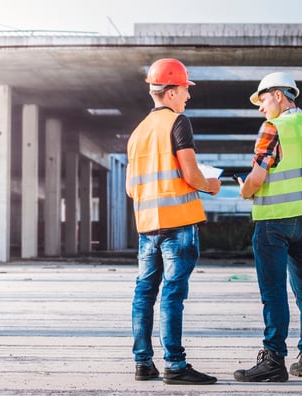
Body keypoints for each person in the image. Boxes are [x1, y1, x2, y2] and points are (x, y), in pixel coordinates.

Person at [233, 72, 302, 382]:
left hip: (274, 222)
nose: (260, 107)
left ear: (279, 96)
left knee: (273, 293)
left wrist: (245, 190)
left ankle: (273, 360)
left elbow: (257, 178)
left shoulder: (273, 127)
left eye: (263, 99)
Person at [126, 58, 221, 385]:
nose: (188, 97)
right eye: (184, 90)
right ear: (169, 92)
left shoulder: (137, 134)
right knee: (173, 294)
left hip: (147, 227)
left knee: (144, 293)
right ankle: (175, 366)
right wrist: (210, 184)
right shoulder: (178, 122)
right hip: (178, 225)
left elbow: (129, 188)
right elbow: (192, 175)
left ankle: (143, 364)